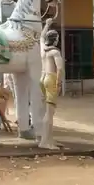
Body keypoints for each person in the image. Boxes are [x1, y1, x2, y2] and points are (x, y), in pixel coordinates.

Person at [39, 17, 64, 150]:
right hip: (51, 78)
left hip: (42, 78)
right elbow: (59, 69)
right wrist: (58, 84)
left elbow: (41, 38)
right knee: (50, 112)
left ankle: (47, 139)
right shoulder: (55, 52)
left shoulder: (43, 49)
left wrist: (46, 25)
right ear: (55, 39)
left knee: (47, 112)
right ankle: (46, 142)